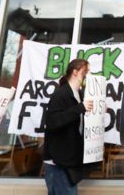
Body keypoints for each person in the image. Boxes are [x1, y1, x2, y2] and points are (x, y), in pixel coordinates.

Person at [43, 58, 93, 195]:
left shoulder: (80, 95)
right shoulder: (60, 94)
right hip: (58, 162)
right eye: (85, 72)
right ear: (75, 72)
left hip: (68, 160)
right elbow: (53, 122)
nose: (87, 75)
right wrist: (79, 108)